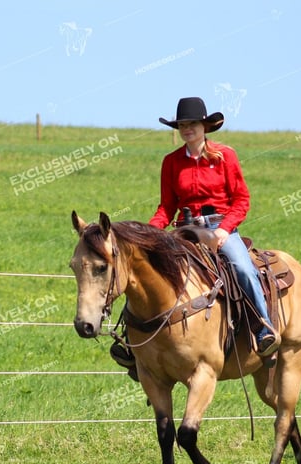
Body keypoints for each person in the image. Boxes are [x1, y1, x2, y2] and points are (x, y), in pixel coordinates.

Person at [110, 97, 279, 373]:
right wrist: (148, 235)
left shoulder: (226, 156)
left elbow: (241, 200)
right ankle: (131, 342)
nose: (187, 129)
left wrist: (225, 229)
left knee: (243, 269)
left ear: (204, 126)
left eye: (192, 124)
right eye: (182, 125)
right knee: (145, 270)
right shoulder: (171, 162)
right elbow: (166, 207)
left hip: (219, 229)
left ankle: (263, 328)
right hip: (184, 230)